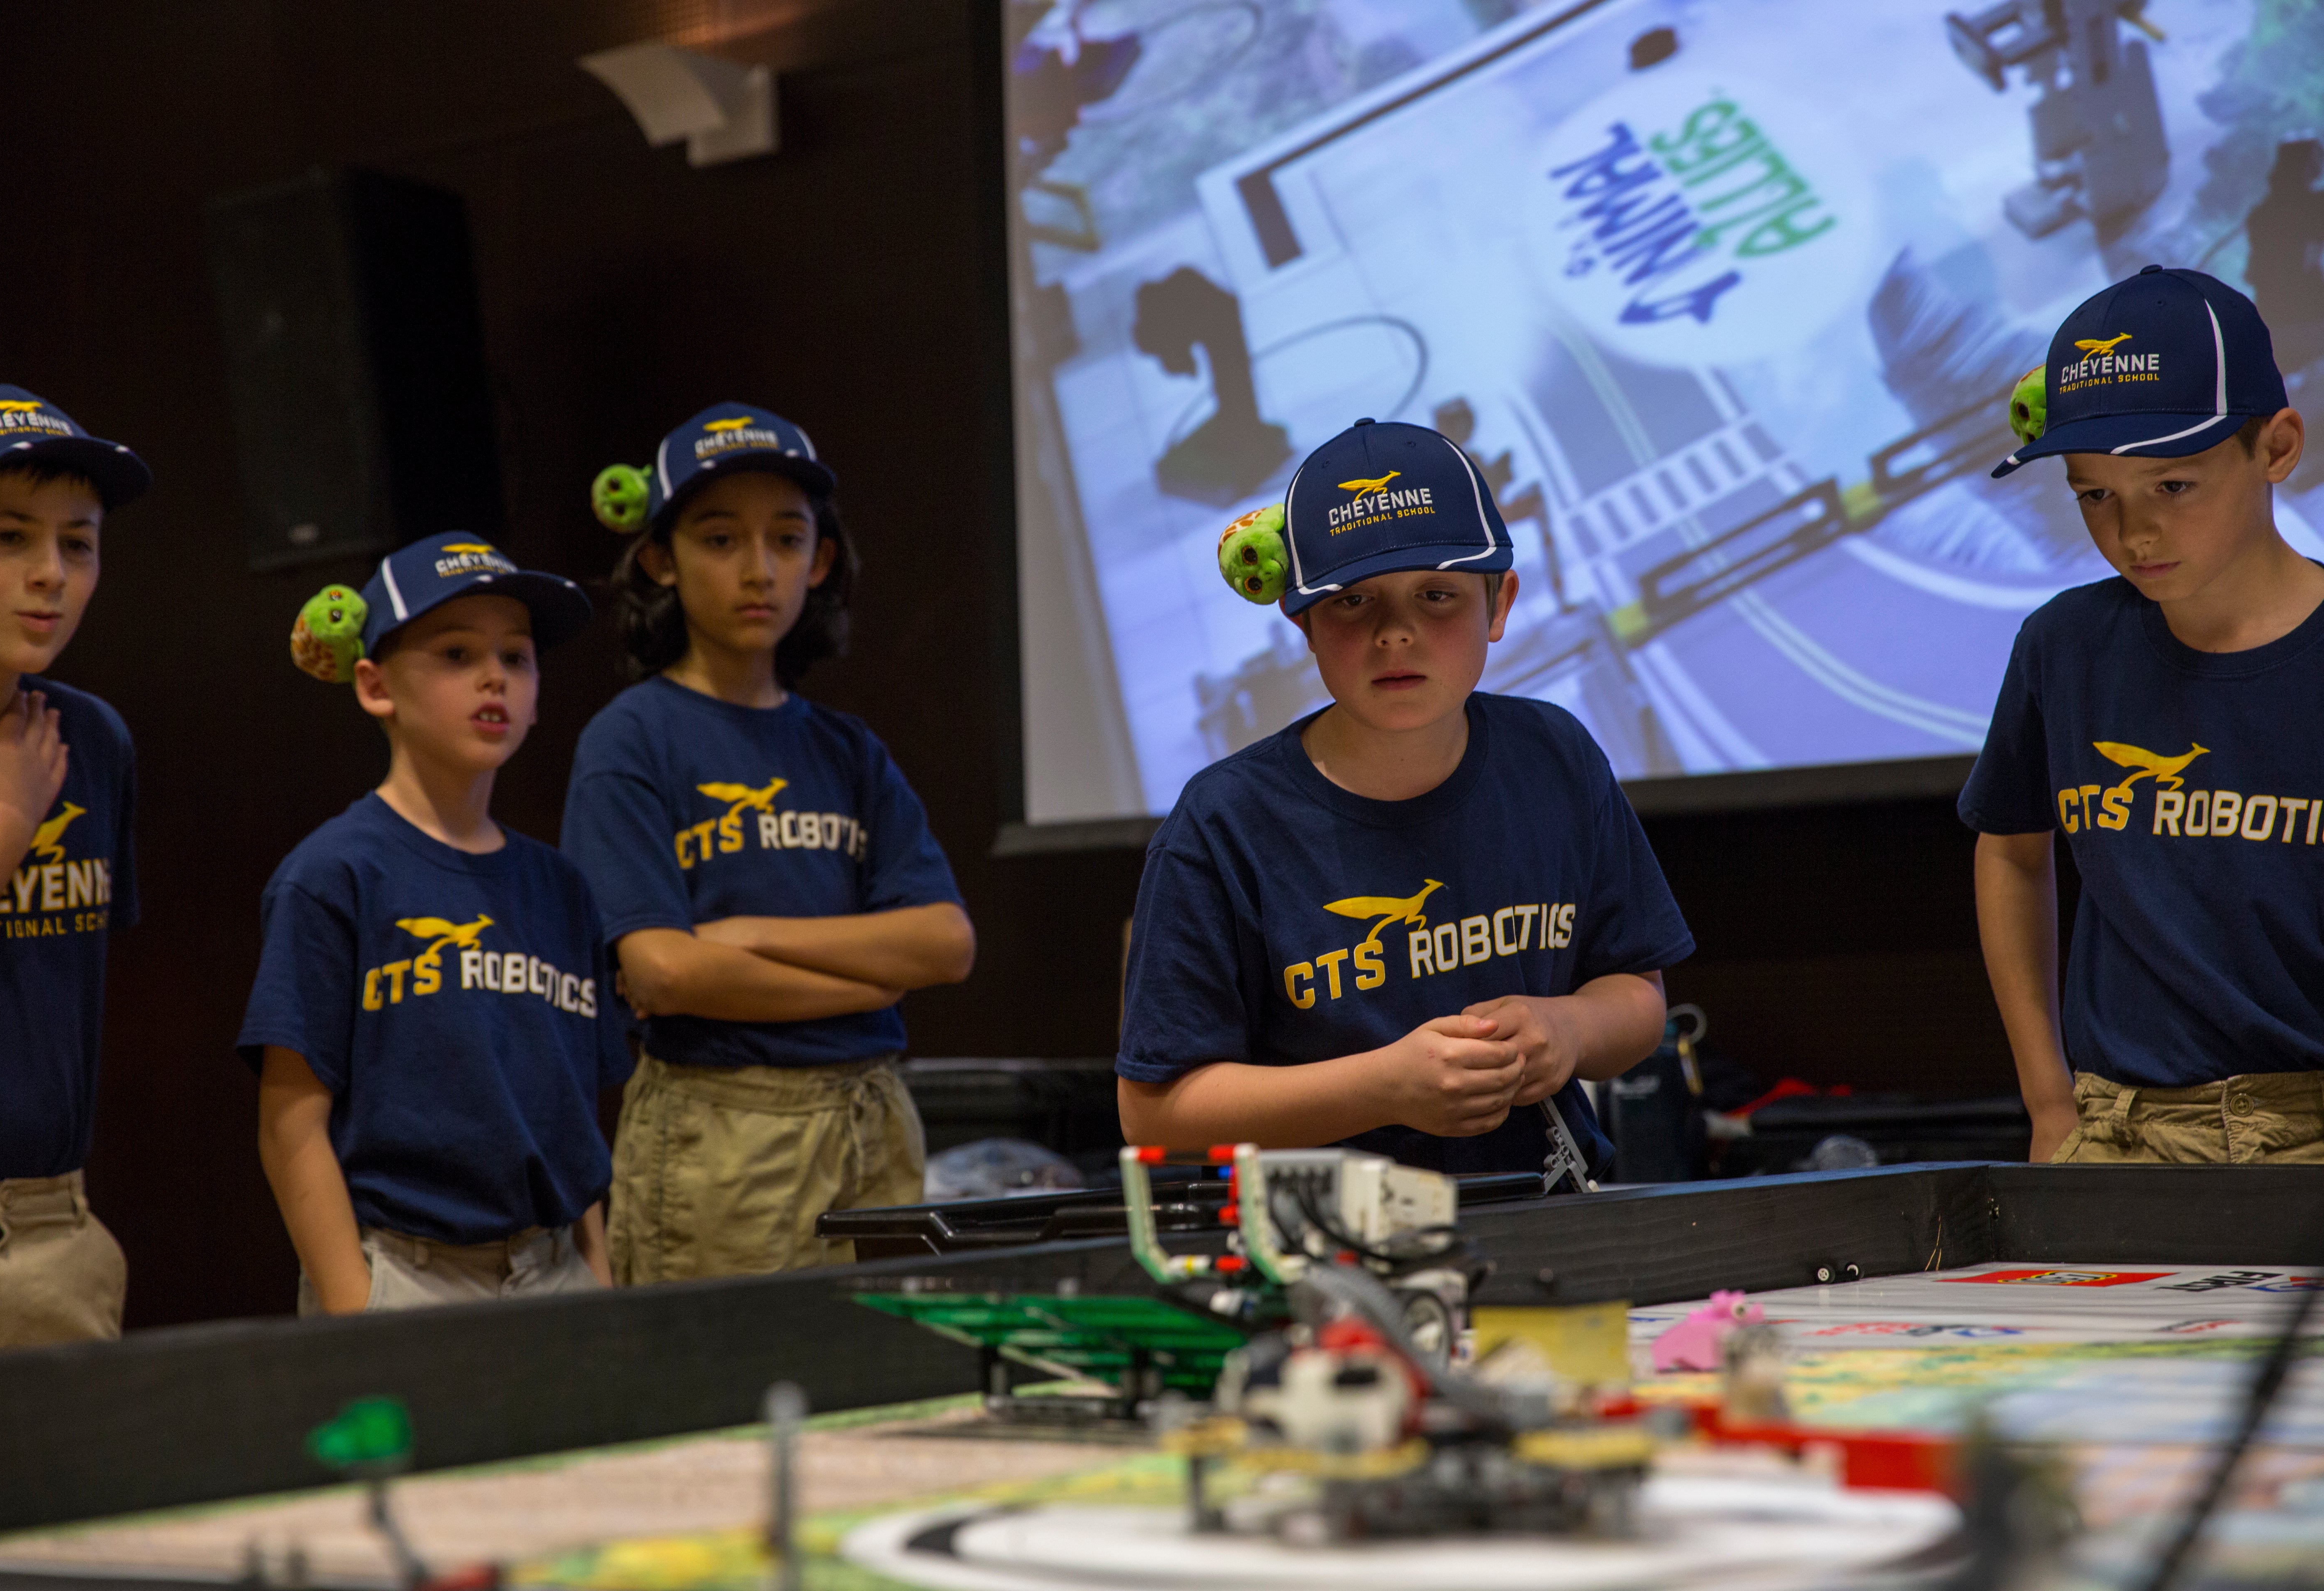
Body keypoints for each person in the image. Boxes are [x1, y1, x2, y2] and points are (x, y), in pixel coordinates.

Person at [1116, 418, 1693, 1175]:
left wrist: (1572, 1029)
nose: (1397, 633)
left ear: (1500, 603)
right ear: (1304, 625)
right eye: (1354, 603)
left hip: (1553, 1226)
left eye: (1437, 595)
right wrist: (1384, 1087)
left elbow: (1639, 998)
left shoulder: (1556, 756)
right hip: (1326, 1258)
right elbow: (1156, 1113)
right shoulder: (1223, 826)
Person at [563, 403, 974, 1282]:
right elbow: (666, 973)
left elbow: (944, 944)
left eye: (788, 541)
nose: (760, 571)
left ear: (820, 561)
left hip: (874, 1115)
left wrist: (748, 937)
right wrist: (874, 970)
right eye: (720, 541)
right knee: (732, 1397)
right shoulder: (631, 738)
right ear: (658, 559)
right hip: (724, 1131)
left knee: (890, 1391)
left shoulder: (847, 747)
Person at [1966, 266, 2324, 1165]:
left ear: (2277, 448)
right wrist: (2050, 1102)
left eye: (2173, 487)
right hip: (2115, 1130)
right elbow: (2010, 851)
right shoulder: (2066, 646)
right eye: (2096, 496)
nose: (2134, 533)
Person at [240, 534, 627, 1312]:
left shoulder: (562, 888)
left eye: (516, 658)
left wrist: (601, 1279)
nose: (495, 678)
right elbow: (290, 1130)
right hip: (406, 1275)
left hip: (555, 1272)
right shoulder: (333, 876)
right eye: (456, 655)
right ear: (376, 686)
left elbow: (571, 1123)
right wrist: (360, 1307)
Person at [0, 385, 148, 1354]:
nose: (50, 575)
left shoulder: (91, 739)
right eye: (8, 538)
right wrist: (5, 822)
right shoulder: (25, 783)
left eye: (79, 542)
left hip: (59, 1230)